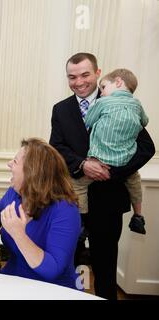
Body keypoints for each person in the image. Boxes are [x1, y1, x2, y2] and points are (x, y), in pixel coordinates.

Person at [49, 52, 155, 299]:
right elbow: (57, 148)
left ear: (98, 73)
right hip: (73, 201)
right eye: (72, 77)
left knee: (105, 262)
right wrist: (83, 165)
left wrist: (112, 172)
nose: (79, 82)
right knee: (71, 259)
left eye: (85, 75)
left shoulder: (124, 103)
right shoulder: (61, 110)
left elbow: (146, 148)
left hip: (110, 198)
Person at [0, 138, 81, 289]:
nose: (9, 164)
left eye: (15, 161)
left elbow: (53, 270)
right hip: (15, 279)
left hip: (52, 289)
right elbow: (1, 215)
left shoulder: (65, 211)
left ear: (32, 172)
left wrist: (19, 234)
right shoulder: (16, 193)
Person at [72, 68, 149, 234]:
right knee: (135, 182)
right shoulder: (136, 104)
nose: (101, 92)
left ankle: (81, 222)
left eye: (103, 87)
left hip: (101, 161)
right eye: (72, 76)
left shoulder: (101, 103)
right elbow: (145, 121)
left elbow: (89, 121)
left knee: (78, 186)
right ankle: (138, 216)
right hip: (125, 158)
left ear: (119, 82)